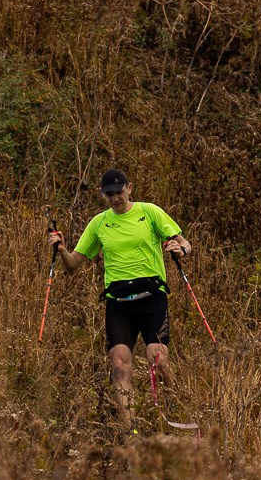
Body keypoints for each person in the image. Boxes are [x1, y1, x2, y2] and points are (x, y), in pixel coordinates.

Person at [48, 168, 191, 433]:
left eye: (119, 192)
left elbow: (184, 242)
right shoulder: (99, 223)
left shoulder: (150, 212)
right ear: (103, 195)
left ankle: (175, 404)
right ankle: (131, 431)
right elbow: (72, 265)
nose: (115, 198)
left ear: (129, 188)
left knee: (156, 357)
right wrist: (63, 249)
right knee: (119, 361)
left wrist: (180, 249)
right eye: (109, 194)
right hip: (118, 302)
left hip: (152, 297)